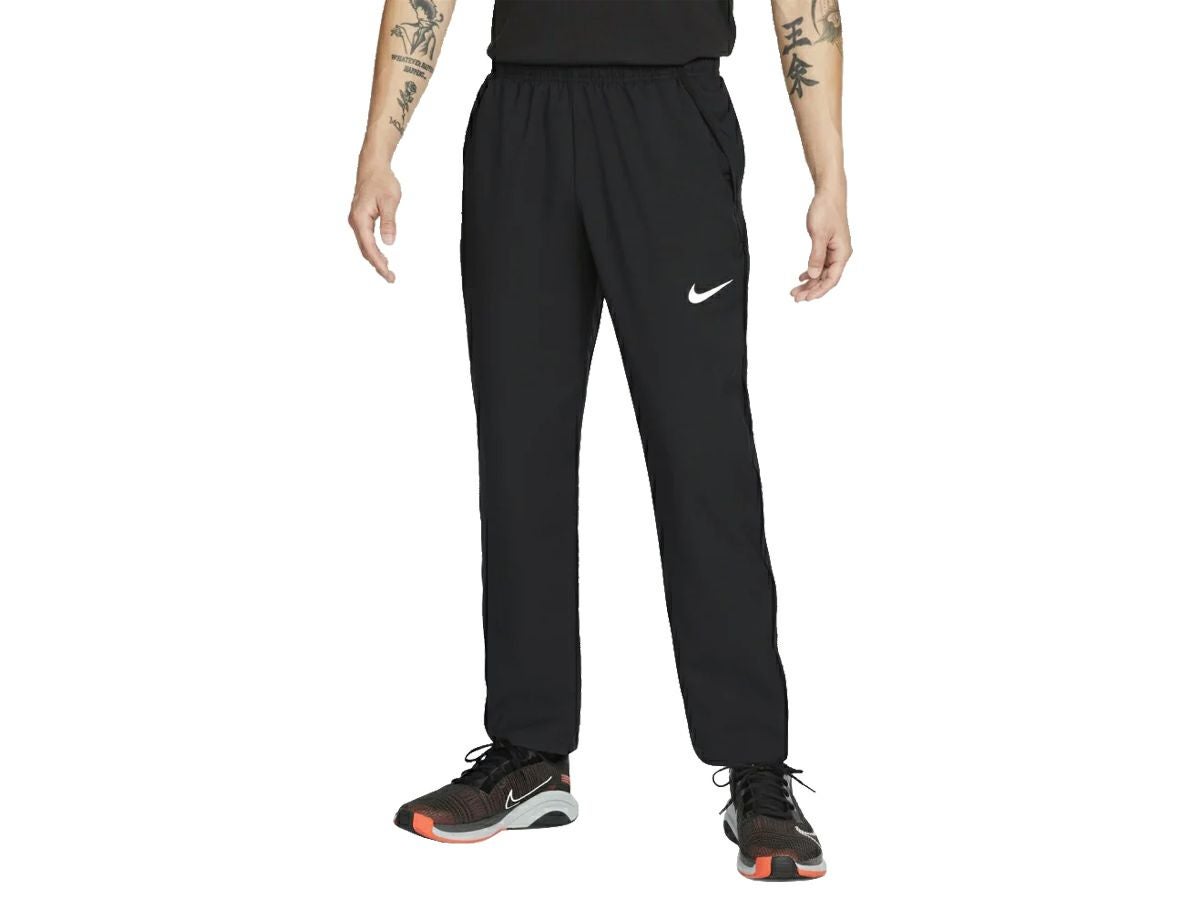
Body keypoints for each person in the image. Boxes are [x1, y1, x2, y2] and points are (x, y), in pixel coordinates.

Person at [349, 0, 850, 881]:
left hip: (669, 124)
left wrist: (830, 175)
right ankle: (530, 750)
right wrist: (377, 148)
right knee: (519, 453)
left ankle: (758, 770)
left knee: (703, 458)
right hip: (521, 118)